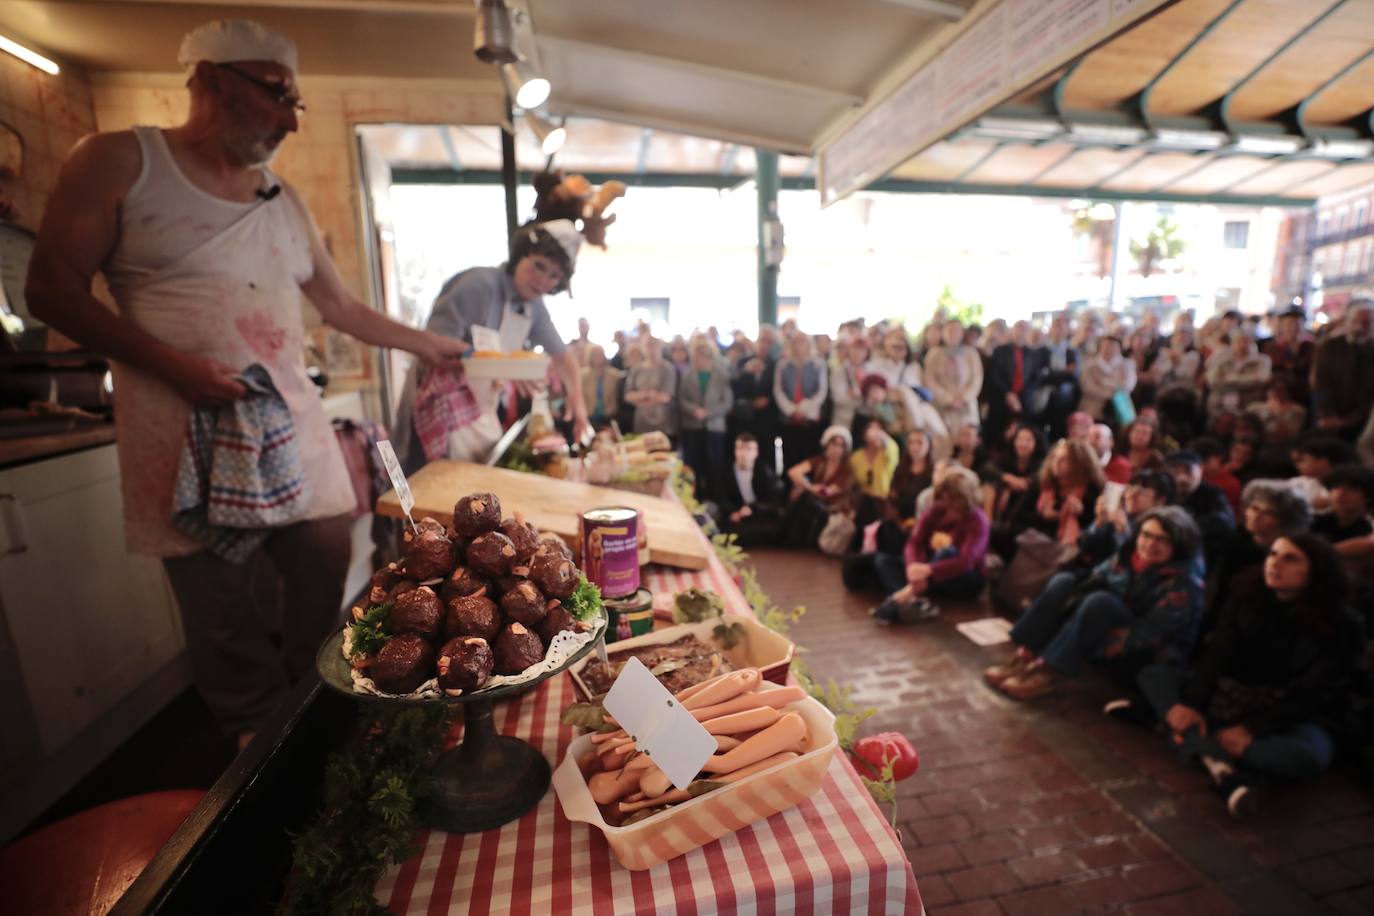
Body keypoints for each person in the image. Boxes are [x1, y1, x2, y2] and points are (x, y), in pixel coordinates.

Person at [23, 19, 470, 746]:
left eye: (296, 103)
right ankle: (251, 742)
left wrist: (434, 346)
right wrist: (175, 368)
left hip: (287, 416)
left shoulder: (281, 199)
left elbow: (343, 307)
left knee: (327, 549)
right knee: (218, 600)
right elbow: (50, 289)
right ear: (206, 79)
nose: (291, 119)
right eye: (276, 95)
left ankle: (312, 708)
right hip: (178, 419)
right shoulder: (117, 161)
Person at [1131, 534, 1363, 817]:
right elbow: (1218, 652)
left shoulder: (1342, 624)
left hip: (1291, 712)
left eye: (1290, 559)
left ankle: (1189, 738)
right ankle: (1220, 766)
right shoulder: (1247, 595)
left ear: (1316, 570)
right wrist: (1192, 704)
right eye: (1273, 554)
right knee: (1154, 676)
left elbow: (1316, 693)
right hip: (1232, 694)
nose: (1274, 564)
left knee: (1306, 758)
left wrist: (1253, 729)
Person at [392, 218, 590, 467]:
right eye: (539, 266)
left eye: (554, 276)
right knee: (425, 483)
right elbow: (432, 350)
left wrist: (577, 400)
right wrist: (504, 368)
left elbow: (563, 357)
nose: (543, 280)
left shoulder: (534, 307)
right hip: (437, 408)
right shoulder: (478, 285)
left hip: (481, 410)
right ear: (520, 256)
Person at [986, 507, 1204, 701]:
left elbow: (1152, 633)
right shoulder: (1131, 553)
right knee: (1065, 582)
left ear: (1178, 544)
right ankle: (1027, 654)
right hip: (1111, 615)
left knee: (1099, 602)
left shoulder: (1184, 581)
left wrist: (1097, 633)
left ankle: (1048, 671)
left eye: (1162, 539)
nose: (1149, 544)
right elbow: (1098, 575)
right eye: (1146, 535)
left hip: (1144, 650)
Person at [859, 466, 989, 624]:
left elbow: (966, 561)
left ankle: (904, 597)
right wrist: (913, 566)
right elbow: (914, 542)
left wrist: (928, 569)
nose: (946, 503)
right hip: (929, 571)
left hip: (966, 577)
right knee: (882, 560)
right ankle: (914, 600)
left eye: (952, 499)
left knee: (946, 552)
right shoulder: (937, 510)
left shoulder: (978, 520)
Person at [1203, 479, 1311, 647]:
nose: (1256, 516)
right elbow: (1219, 589)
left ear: (1285, 520)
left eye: (1269, 512)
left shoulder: (1292, 551)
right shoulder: (1234, 540)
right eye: (1254, 508)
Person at [1076, 469, 1176, 567]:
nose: (1131, 495)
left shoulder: (1162, 528)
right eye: (1129, 488)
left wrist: (1124, 532)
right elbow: (1085, 549)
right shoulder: (1118, 515)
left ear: (1160, 501)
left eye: (1141, 492)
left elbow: (1139, 563)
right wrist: (1098, 523)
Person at [782, 425, 854, 548]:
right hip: (814, 501)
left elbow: (830, 492)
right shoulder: (819, 461)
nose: (836, 449)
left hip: (832, 507)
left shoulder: (847, 470)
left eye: (840, 446)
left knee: (804, 498)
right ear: (826, 445)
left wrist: (811, 489)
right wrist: (809, 487)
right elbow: (793, 472)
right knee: (800, 491)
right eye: (834, 444)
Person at [678, 340, 732, 502]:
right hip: (692, 426)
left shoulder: (722, 374)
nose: (696, 361)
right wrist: (694, 410)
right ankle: (695, 498)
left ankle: (715, 499)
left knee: (714, 465)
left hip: (714, 427)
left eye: (699, 358)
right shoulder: (687, 374)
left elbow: (727, 402)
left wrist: (708, 412)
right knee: (693, 465)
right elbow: (681, 399)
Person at [1312, 302, 1374, 442]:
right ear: (1346, 322)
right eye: (1354, 321)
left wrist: (1348, 421)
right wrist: (1327, 415)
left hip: (1366, 423)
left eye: (1366, 323)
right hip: (1330, 418)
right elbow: (1322, 383)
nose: (1358, 328)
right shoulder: (1330, 347)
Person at [716, 432, 784, 547]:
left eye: (748, 449)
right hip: (734, 517)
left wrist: (753, 508)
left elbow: (773, 500)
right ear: (735, 451)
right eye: (740, 448)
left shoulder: (764, 471)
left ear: (755, 453)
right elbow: (720, 496)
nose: (744, 453)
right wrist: (733, 512)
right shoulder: (724, 471)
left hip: (758, 514)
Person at [773, 332, 829, 471]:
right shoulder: (783, 364)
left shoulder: (818, 363)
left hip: (810, 419)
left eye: (802, 341)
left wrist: (804, 408)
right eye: (796, 341)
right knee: (789, 458)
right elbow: (778, 390)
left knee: (810, 457)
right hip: (789, 419)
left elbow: (822, 391)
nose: (799, 345)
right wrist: (791, 409)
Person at [985, 320, 1042, 450]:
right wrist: (1008, 394)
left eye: (1025, 329)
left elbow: (1035, 379)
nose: (1021, 332)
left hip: (1024, 402)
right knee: (996, 436)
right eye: (1019, 328)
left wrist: (1021, 396)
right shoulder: (1000, 350)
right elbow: (994, 375)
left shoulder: (1033, 354)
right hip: (1001, 400)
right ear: (1013, 330)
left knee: (1018, 435)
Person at [925, 318, 983, 438]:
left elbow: (977, 379)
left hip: (966, 405)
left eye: (957, 330)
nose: (954, 333)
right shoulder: (934, 353)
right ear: (943, 332)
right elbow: (930, 380)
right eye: (950, 330)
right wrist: (949, 399)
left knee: (968, 438)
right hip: (943, 405)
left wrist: (964, 398)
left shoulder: (971, 353)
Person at [1034, 314, 1081, 440]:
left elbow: (1074, 376)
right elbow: (1040, 376)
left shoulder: (1072, 351)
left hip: (1064, 400)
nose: (1059, 330)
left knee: (1059, 434)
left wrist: (1051, 374)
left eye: (1062, 327)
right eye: (1056, 327)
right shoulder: (1041, 350)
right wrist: (1064, 372)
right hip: (1042, 399)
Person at [850, 418, 901, 531]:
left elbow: (891, 447)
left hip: (883, 503)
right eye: (870, 428)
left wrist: (880, 435)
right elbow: (852, 483)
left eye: (878, 428)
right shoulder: (856, 457)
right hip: (862, 503)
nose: (874, 433)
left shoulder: (888, 452)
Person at [1206, 332, 1271, 419]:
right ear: (1232, 343)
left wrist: (1230, 379)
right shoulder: (1222, 359)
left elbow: (1261, 379)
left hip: (1248, 404)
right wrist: (1248, 378)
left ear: (1252, 343)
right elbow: (1212, 380)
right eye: (1238, 341)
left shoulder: (1262, 360)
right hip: (1220, 403)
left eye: (1245, 341)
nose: (1242, 345)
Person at [625, 334, 678, 438]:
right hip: (641, 420)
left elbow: (665, 397)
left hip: (662, 420)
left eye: (653, 345)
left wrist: (640, 398)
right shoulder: (636, 369)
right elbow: (628, 395)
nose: (651, 349)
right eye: (647, 345)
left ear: (659, 347)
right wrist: (648, 394)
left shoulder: (667, 368)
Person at [1288, 436, 1357, 511]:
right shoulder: (1302, 481)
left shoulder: (1346, 485)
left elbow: (1322, 502)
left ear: (1323, 461)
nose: (1297, 466)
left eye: (1302, 460)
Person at [1080, 335, 1136, 421]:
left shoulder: (1127, 365)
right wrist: (1112, 392)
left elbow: (1127, 386)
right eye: (1106, 346)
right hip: (1092, 408)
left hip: (1119, 408)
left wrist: (1103, 382)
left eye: (1113, 346)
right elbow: (1087, 387)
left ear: (1119, 348)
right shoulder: (1089, 365)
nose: (1109, 349)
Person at [829, 335, 868, 433]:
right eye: (855, 349)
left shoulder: (869, 370)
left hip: (863, 422)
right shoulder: (839, 370)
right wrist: (859, 396)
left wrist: (853, 394)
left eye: (862, 350)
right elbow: (838, 398)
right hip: (842, 421)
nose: (858, 353)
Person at [580, 344, 624, 428]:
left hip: (609, 416)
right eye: (595, 354)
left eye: (600, 354)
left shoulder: (615, 375)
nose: (598, 357)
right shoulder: (582, 376)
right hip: (590, 416)